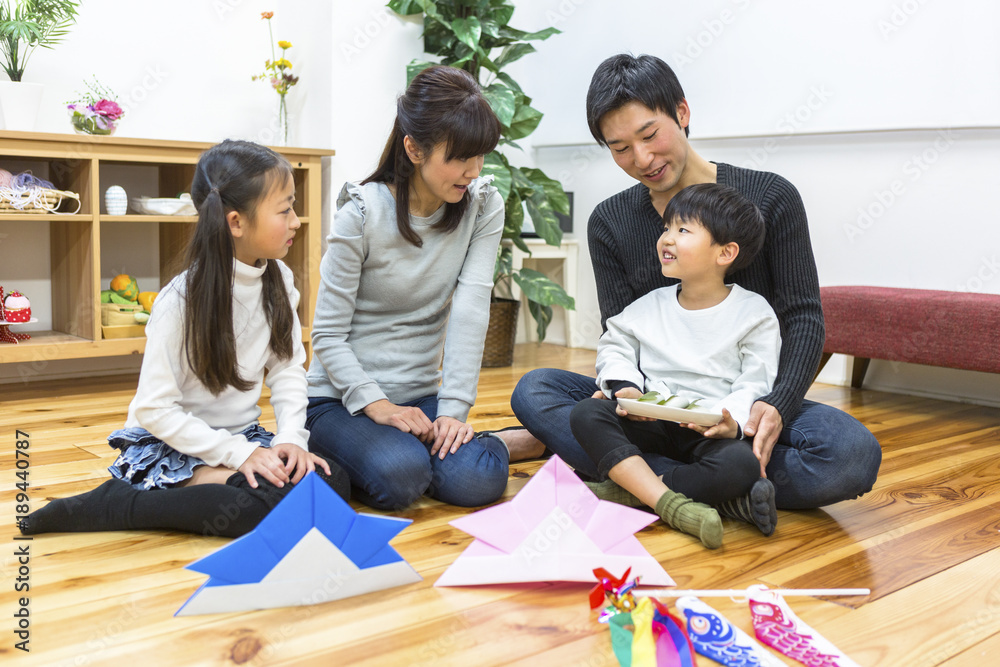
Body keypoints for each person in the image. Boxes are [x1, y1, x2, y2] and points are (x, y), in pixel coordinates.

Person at [511, 53, 881, 514]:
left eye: (650, 135)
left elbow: (803, 317)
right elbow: (619, 329)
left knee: (849, 455)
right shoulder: (610, 221)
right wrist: (621, 389)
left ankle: (631, 476)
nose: (641, 159)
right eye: (620, 148)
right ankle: (722, 490)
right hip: (654, 404)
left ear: (682, 113)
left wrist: (777, 404)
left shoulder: (771, 197)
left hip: (742, 399)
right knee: (536, 390)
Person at [20, 140, 350, 538]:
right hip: (170, 442)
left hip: (238, 438)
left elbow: (288, 370)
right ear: (235, 222)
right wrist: (239, 455)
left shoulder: (280, 279)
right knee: (252, 506)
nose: (296, 221)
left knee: (332, 485)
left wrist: (291, 439)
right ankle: (118, 503)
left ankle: (217, 483)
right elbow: (154, 410)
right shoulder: (180, 300)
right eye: (285, 210)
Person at [306, 66, 530, 511]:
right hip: (340, 400)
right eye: (459, 158)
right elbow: (327, 336)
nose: (473, 171)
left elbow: (470, 311)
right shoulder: (362, 214)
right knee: (401, 473)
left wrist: (453, 412)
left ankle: (480, 445)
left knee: (476, 481)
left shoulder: (483, 206)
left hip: (421, 399)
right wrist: (377, 405)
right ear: (413, 149)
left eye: (480, 156)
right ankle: (365, 449)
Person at [571, 183, 780, 549]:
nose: (666, 238)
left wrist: (729, 422)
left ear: (725, 252)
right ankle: (678, 503)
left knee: (741, 466)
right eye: (666, 228)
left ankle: (631, 492)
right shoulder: (652, 304)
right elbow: (616, 342)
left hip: (707, 431)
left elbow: (756, 381)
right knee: (586, 413)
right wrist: (626, 387)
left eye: (682, 230)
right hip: (650, 419)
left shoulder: (754, 313)